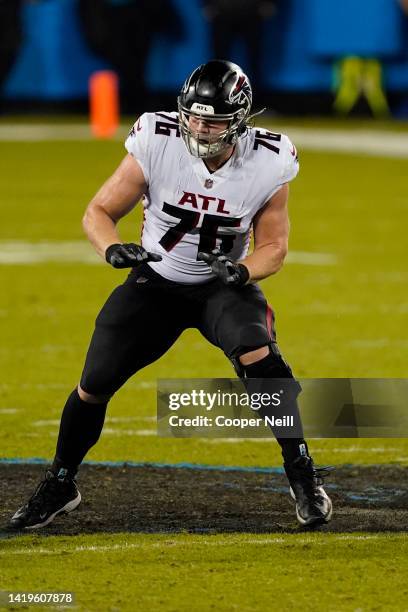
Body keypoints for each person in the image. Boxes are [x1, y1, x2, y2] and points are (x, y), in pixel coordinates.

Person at [10, 60, 332, 530]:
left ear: (239, 120)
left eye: (214, 119)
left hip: (222, 285)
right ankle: (61, 482)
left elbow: (274, 247)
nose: (201, 128)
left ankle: (301, 472)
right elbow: (99, 210)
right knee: (94, 382)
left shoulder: (269, 159)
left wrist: (242, 271)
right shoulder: (156, 139)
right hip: (155, 281)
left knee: (260, 357)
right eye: (195, 116)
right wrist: (111, 247)